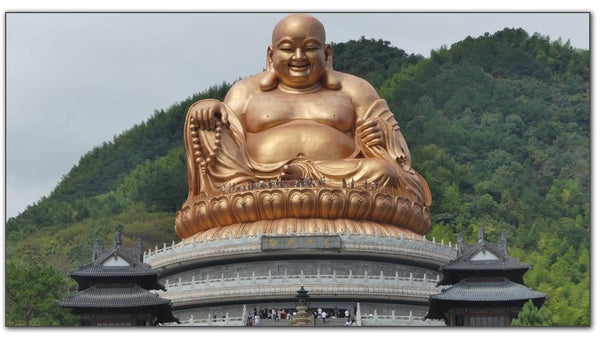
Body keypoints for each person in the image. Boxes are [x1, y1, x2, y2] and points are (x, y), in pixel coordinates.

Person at [184, 14, 431, 208]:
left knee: (382, 172)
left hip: (339, 182)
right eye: (288, 48)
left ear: (327, 53)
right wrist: (208, 109)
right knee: (208, 127)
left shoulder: (356, 89)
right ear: (271, 55)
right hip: (258, 180)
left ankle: (288, 185)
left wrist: (382, 135)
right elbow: (226, 149)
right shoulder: (245, 91)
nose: (299, 57)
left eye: (310, 48)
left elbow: (401, 159)